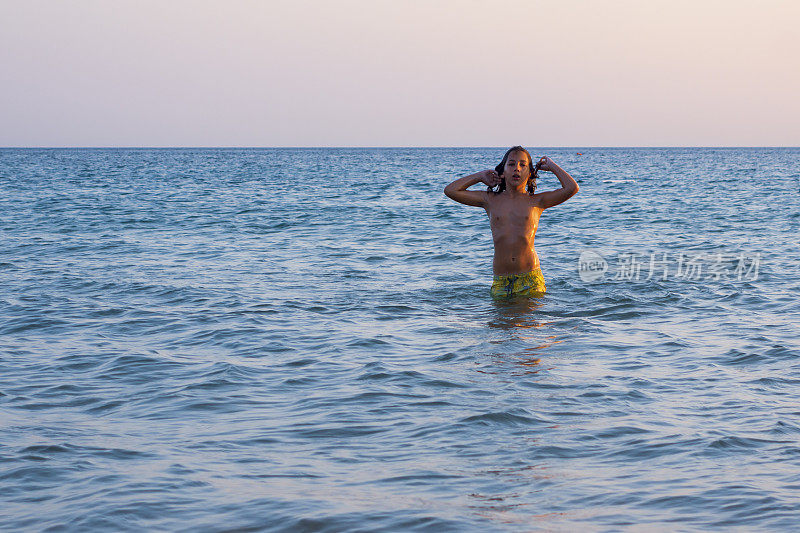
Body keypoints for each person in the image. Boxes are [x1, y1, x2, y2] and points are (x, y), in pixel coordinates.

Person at [444, 146, 579, 298]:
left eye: (523, 165)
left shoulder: (537, 201)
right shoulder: (490, 200)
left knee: (530, 321)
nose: (517, 169)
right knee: (499, 321)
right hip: (501, 281)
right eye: (511, 164)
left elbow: (572, 188)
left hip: (530, 278)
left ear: (530, 173)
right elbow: (451, 190)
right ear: (502, 171)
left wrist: (552, 166)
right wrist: (480, 176)